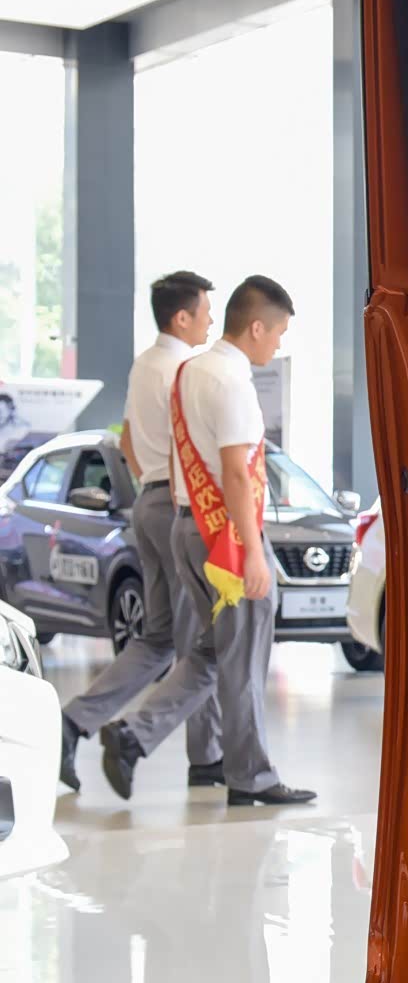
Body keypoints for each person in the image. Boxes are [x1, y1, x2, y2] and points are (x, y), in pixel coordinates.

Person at [99, 275, 316, 807]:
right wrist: (251, 551)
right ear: (257, 327)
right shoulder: (232, 382)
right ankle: (251, 777)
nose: (278, 345)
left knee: (210, 653)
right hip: (226, 537)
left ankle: (134, 734)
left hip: (187, 525)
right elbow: (237, 472)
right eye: (278, 333)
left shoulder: (190, 371)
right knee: (244, 659)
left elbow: (173, 452)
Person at [59, 272, 223, 792]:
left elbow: (127, 439)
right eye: (205, 312)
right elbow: (193, 448)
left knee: (157, 638)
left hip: (147, 503)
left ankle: (71, 723)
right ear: (182, 317)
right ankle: (200, 755)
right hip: (178, 507)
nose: (211, 321)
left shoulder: (145, 364)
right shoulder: (187, 371)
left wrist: (151, 487)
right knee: (203, 641)